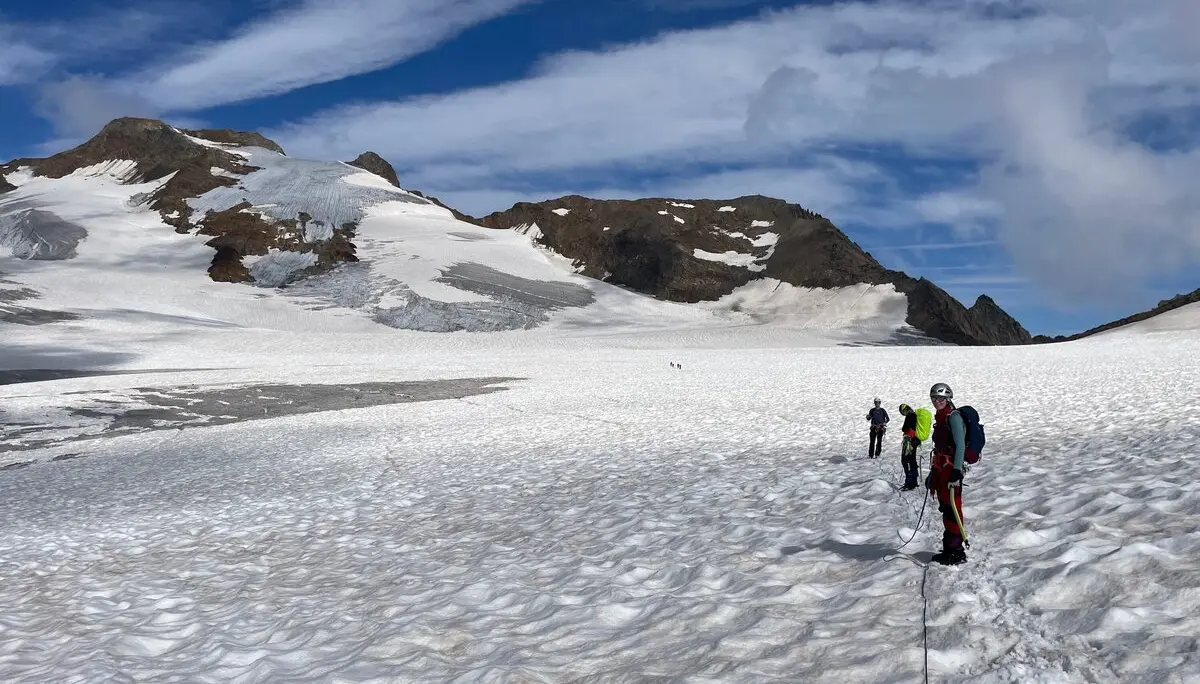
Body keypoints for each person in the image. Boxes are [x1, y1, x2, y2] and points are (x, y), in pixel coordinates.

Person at [927, 382, 967, 565]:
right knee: (946, 506)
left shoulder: (953, 417)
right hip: (942, 469)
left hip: (951, 470)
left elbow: (960, 445)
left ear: (948, 399)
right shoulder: (941, 416)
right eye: (934, 399)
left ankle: (956, 552)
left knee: (953, 508)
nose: (937, 402)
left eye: (941, 399)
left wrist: (957, 471)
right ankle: (950, 548)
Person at [898, 403, 921, 490]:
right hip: (914, 440)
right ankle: (913, 481)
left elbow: (905, 428)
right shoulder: (914, 415)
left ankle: (910, 482)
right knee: (911, 460)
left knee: (906, 460)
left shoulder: (910, 416)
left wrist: (904, 429)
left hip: (909, 440)